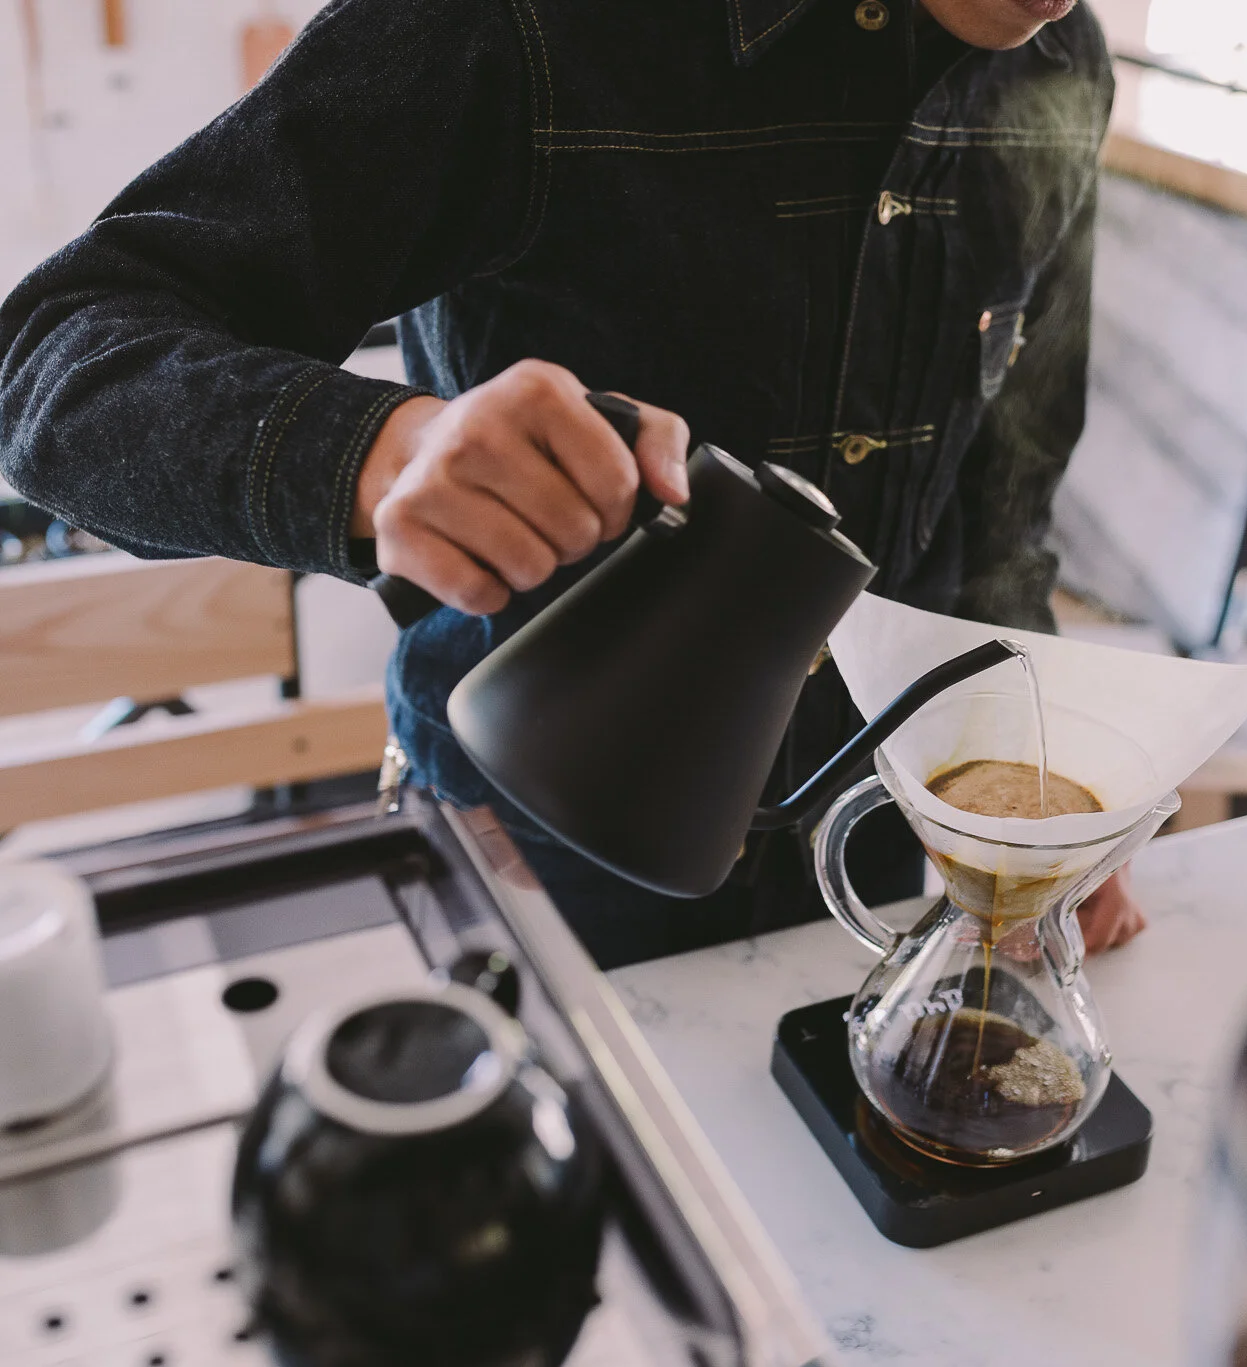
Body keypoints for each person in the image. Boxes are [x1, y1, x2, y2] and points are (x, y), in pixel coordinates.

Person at [0, 0, 1143, 967]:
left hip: (881, 851)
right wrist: (382, 451)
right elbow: (56, 358)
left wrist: (1035, 769)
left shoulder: (1062, 61)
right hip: (541, 855)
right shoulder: (516, 26)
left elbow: (1006, 498)